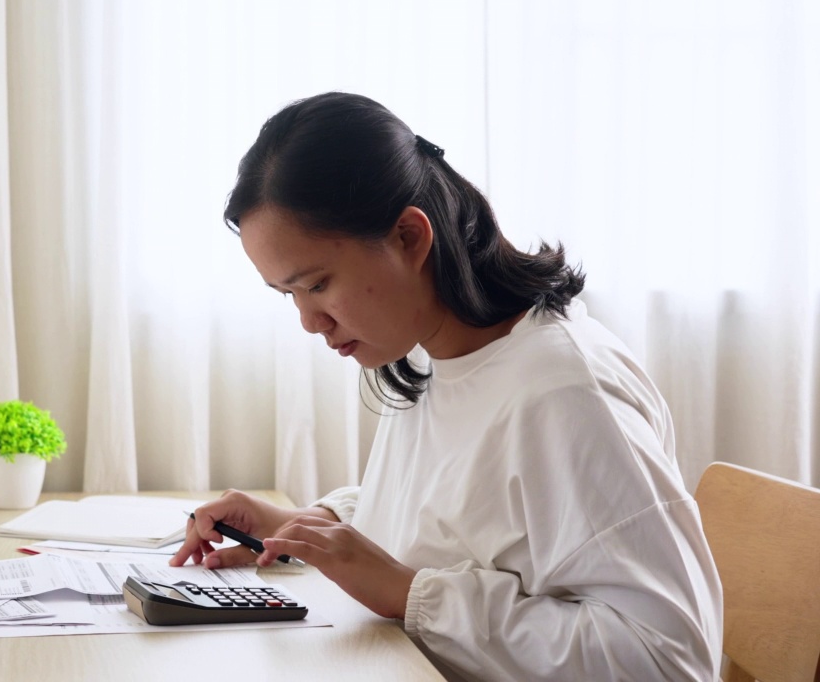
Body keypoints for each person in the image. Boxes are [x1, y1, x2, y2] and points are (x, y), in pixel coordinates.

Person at [169, 92, 722, 681]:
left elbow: (670, 660)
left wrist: (411, 596)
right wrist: (300, 523)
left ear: (409, 237)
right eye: (290, 296)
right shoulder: (438, 357)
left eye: (319, 284)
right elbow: (457, 523)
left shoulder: (565, 393)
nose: (309, 321)